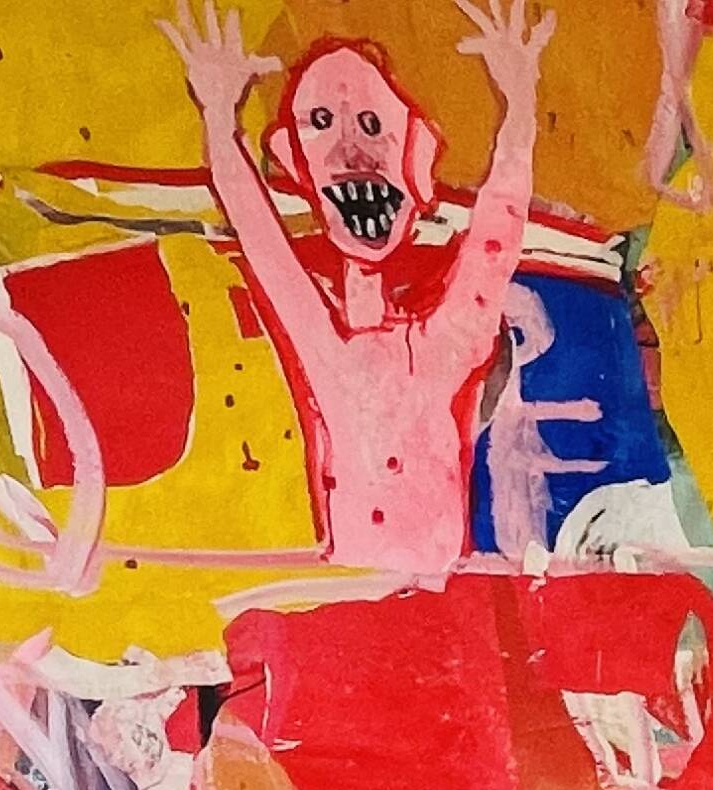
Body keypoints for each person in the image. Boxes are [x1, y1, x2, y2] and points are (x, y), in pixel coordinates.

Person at [158, 1, 557, 580]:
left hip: (431, 597)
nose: (351, 151)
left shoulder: (442, 345)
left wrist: (520, 106)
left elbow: (497, 237)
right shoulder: (329, 347)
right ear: (293, 161)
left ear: (417, 158)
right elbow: (261, 238)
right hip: (353, 596)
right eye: (320, 123)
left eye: (373, 125)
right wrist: (220, 121)